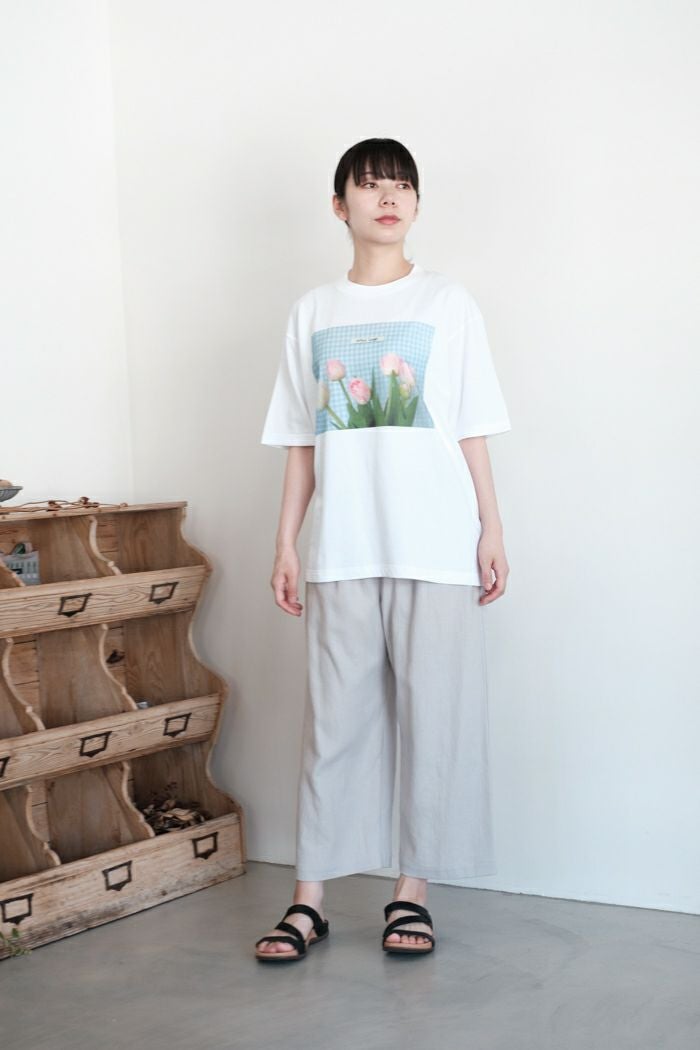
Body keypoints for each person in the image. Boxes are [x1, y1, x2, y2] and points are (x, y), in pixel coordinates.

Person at [255, 138, 511, 961]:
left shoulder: (448, 302)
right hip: (343, 547)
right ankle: (309, 900)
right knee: (333, 725)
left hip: (436, 544)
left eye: (401, 185)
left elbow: (470, 426)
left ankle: (412, 892)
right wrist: (287, 542)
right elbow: (302, 441)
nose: (388, 197)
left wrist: (491, 527)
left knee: (434, 720)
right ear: (341, 206)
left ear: (416, 203)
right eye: (370, 186)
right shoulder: (313, 311)